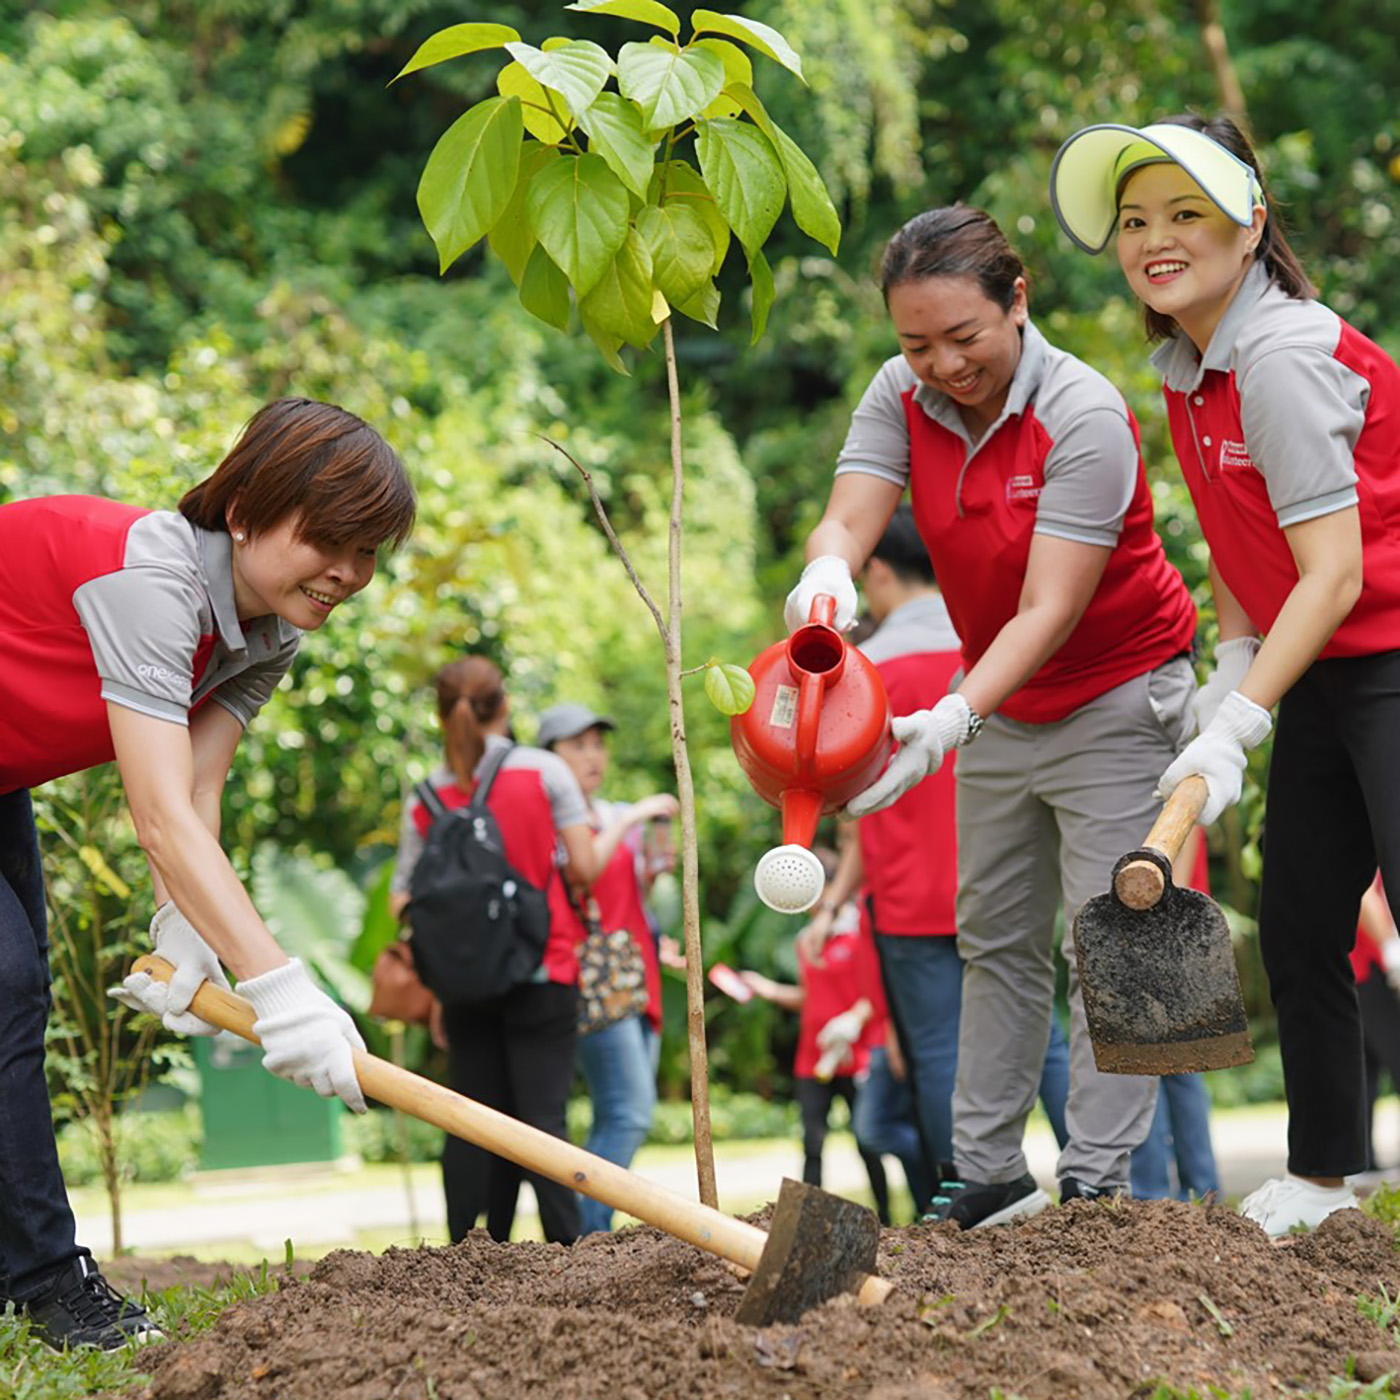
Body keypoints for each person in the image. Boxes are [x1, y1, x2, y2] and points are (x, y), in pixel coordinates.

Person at [786, 205, 1198, 1228]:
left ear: (1017, 302)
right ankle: (985, 1171)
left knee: (1127, 937)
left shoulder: (1084, 413)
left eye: (962, 338)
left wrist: (948, 719)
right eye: (914, 342)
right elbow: (849, 511)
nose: (940, 364)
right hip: (1002, 695)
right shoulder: (900, 393)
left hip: (1121, 685)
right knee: (993, 935)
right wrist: (828, 567)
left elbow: (1048, 609)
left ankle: (1101, 1182)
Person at [0, 398, 415, 1348]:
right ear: (243, 514)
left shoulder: (267, 633)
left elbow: (193, 790)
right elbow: (154, 821)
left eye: (370, 551)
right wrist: (283, 990)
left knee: (19, 1003)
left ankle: (15, 1269)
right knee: (6, 982)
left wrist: (180, 928)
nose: (349, 574)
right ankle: (50, 1284)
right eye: (331, 541)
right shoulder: (152, 585)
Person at [1051, 112, 1400, 1234]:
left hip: (1385, 648)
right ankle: (1322, 1172)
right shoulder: (1183, 363)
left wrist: (1235, 719)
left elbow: (1336, 571)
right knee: (1300, 914)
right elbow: (1256, 548)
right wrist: (1236, 660)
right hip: (1324, 664)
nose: (1154, 240)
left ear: (1249, 225)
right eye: (1134, 220)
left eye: (1185, 214)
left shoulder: (1282, 355)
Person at [799, 508, 1071, 1211]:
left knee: (941, 1057)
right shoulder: (991, 652)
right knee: (1039, 1033)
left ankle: (973, 1196)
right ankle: (1098, 1182)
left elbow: (850, 809)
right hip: (1004, 876)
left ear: (878, 572)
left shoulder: (862, 674)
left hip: (907, 899)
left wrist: (833, 902)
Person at [390, 660, 599, 1247]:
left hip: (466, 984)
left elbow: (402, 897)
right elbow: (582, 867)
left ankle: (471, 1252)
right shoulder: (544, 773)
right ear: (503, 707)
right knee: (542, 1123)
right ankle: (573, 1253)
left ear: (441, 715)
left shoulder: (428, 796)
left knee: (476, 1122)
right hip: (544, 966)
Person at [537, 701, 678, 1236]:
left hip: (635, 978)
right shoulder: (554, 824)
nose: (594, 756)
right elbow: (577, 880)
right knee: (628, 1112)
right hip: (592, 984)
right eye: (578, 745)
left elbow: (623, 902)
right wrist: (631, 818)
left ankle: (586, 1229)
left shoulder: (614, 814)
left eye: (598, 743)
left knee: (616, 1115)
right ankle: (584, 1231)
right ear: (549, 757)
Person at [739, 881, 895, 1224]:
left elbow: (876, 992)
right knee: (812, 1143)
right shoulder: (805, 942)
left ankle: (886, 1216)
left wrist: (852, 1021)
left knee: (866, 1141)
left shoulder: (857, 938)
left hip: (854, 1057)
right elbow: (809, 996)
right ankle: (808, 1223)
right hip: (813, 1058)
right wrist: (767, 989)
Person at [1130, 830, 1222, 1201]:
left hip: (1163, 931)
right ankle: (1202, 1189)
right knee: (1175, 1069)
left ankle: (1156, 1191)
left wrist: (1160, 930)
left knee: (1151, 1068)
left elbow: (1177, 859)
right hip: (1177, 931)